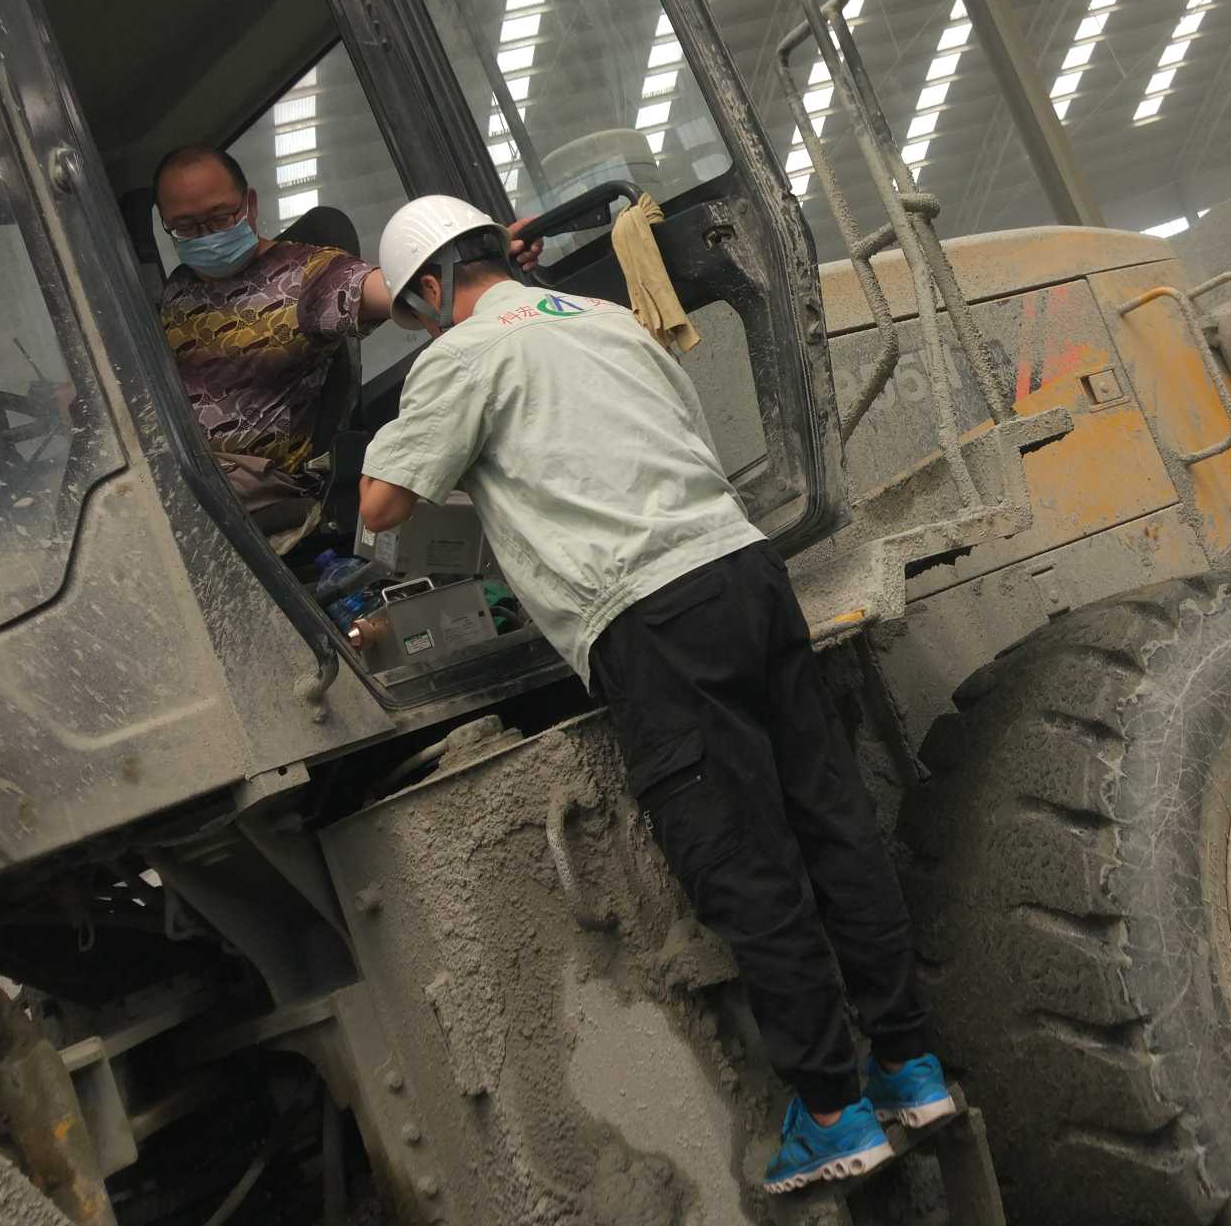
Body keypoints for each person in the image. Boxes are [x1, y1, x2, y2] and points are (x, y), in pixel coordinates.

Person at [355, 194, 953, 1194]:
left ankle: (833, 1114)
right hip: (744, 572)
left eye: (414, 309)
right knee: (830, 823)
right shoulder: (605, 320)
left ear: (427, 290)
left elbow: (381, 508)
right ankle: (910, 1067)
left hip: (651, 617)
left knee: (746, 867)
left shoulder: (460, 355)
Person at [153, 145, 536, 536]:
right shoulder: (175, 291)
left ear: (249, 204)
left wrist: (477, 264)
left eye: (220, 218)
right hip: (177, 476)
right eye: (187, 227)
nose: (207, 236)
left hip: (256, 496)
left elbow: (392, 288)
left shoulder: (307, 276)